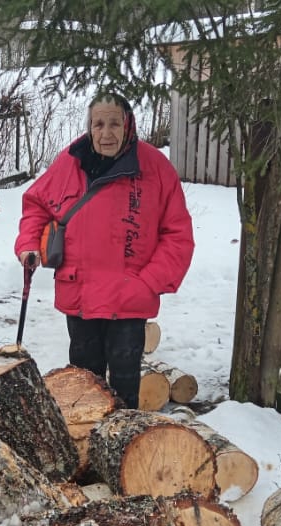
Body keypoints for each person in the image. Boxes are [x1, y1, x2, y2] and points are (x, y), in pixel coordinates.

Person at [14, 92, 195, 410]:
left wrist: (148, 283)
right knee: (83, 383)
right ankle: (84, 445)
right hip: (80, 293)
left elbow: (178, 236)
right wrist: (29, 243)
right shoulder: (71, 159)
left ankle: (122, 448)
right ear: (89, 126)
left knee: (124, 387)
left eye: (114, 123)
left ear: (129, 125)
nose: (106, 132)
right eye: (98, 124)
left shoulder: (155, 168)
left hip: (129, 299)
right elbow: (37, 204)